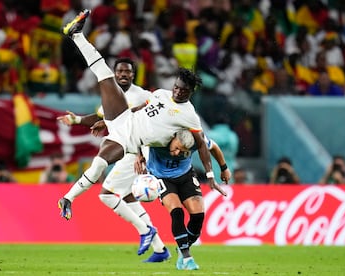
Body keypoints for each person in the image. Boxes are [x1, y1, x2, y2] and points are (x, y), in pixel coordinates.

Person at [57, 9, 226, 256]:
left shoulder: (189, 115)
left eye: (182, 90)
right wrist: (103, 120)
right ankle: (75, 35)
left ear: (190, 93)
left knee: (99, 171)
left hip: (128, 142)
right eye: (176, 87)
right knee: (104, 76)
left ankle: (69, 199)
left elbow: (201, 143)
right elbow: (141, 109)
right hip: (122, 120)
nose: (177, 92)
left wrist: (212, 172)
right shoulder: (160, 94)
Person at [59, 57, 170, 261]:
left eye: (127, 72)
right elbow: (101, 119)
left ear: (133, 74)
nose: (123, 75)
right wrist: (76, 120)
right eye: (119, 71)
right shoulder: (111, 96)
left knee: (107, 195)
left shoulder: (143, 96)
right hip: (126, 151)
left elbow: (149, 124)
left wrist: (140, 154)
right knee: (127, 197)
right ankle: (160, 249)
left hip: (139, 152)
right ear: (115, 73)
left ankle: (145, 231)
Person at [134, 130, 231, 270]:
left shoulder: (197, 139)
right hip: (162, 177)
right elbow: (138, 134)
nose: (177, 153)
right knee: (177, 212)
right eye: (176, 148)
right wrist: (139, 155)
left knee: (198, 216)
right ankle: (187, 257)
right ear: (173, 138)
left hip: (186, 175)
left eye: (183, 151)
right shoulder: (159, 135)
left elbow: (214, 147)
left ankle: (182, 249)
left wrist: (224, 168)